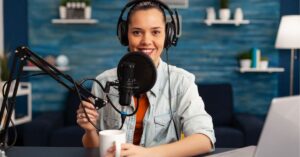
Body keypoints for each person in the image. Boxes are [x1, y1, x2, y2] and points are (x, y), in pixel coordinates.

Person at [76, 0, 215, 156]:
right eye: (137, 32)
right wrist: (89, 131)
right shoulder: (102, 81)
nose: (146, 41)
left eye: (155, 32)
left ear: (168, 35)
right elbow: (95, 147)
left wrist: (148, 154)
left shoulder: (182, 81)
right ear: (124, 35)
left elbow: (205, 140)